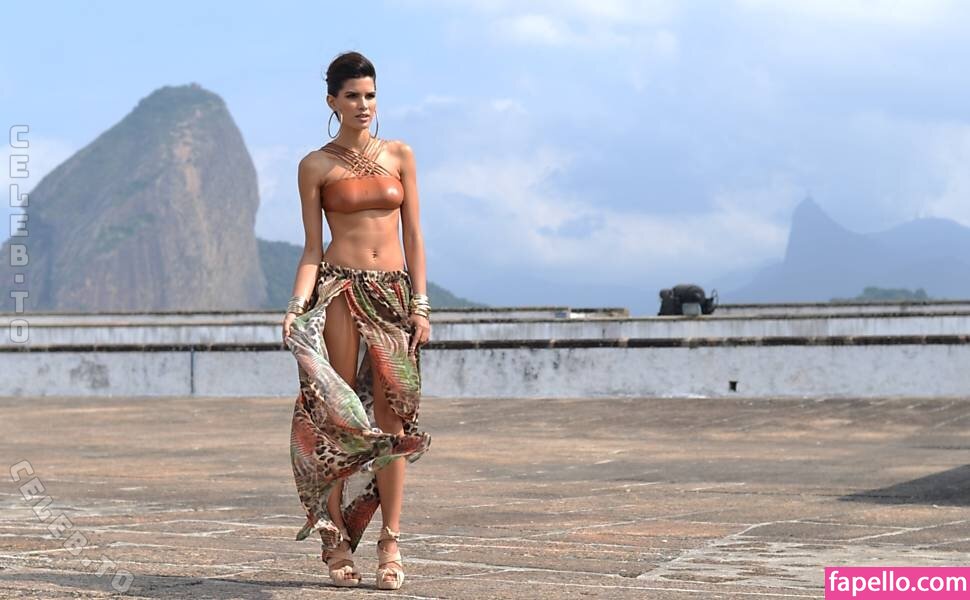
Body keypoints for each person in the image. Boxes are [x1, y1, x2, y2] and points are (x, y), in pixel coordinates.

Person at [281, 51, 432, 590]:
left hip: (393, 293)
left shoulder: (400, 155)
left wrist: (420, 304)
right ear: (332, 102)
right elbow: (311, 248)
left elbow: (414, 235)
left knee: (394, 419)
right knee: (337, 419)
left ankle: (391, 540)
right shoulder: (315, 166)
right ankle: (336, 540)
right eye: (352, 96)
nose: (363, 105)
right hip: (341, 290)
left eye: (370, 95)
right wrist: (296, 307)